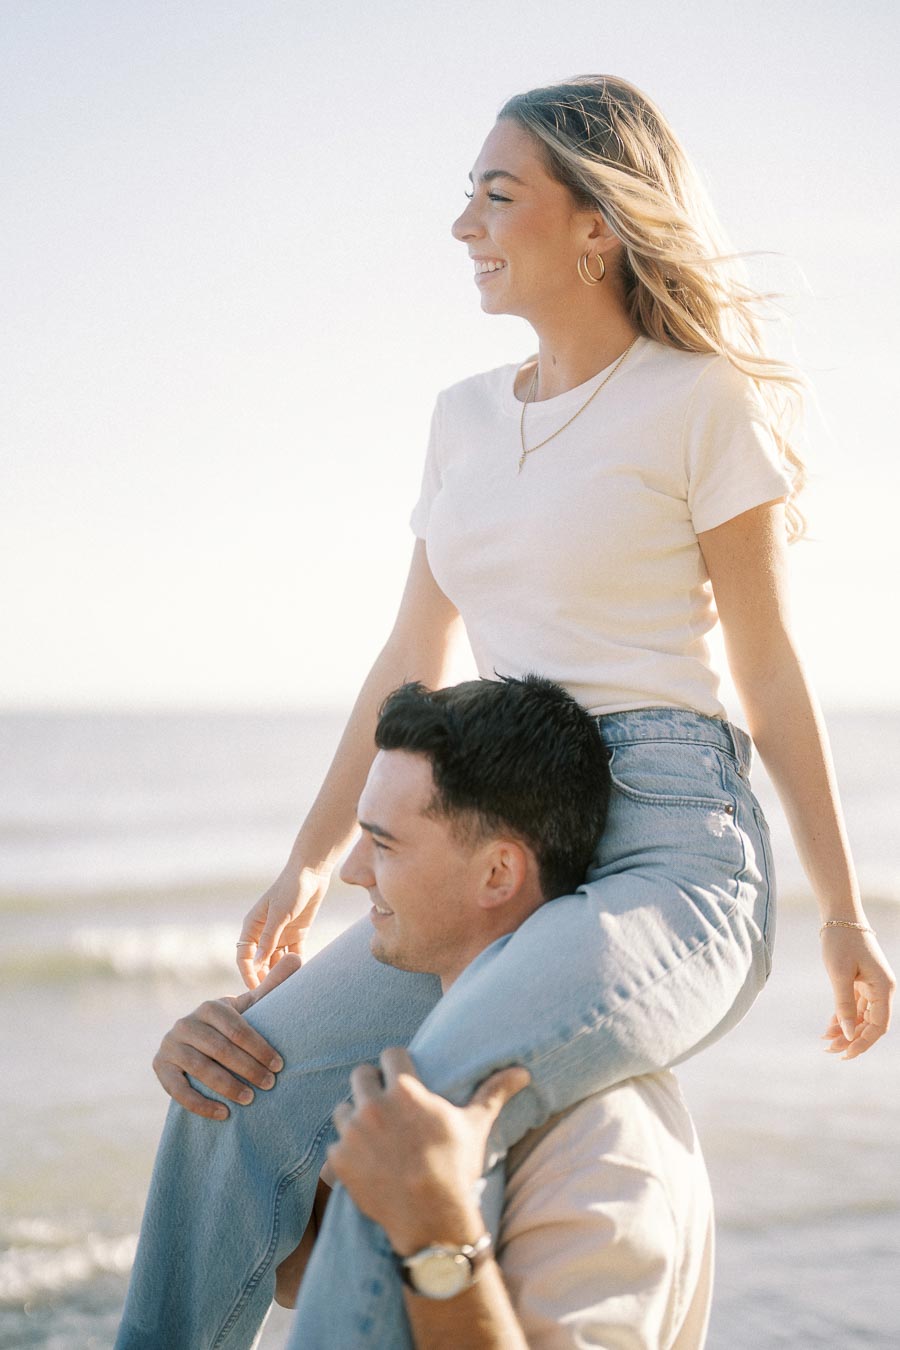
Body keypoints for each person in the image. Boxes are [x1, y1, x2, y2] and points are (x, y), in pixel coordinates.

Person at [117, 75, 894, 1349]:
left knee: (418, 1118)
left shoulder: (700, 400)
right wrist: (312, 863)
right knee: (231, 1088)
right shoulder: (460, 420)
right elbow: (406, 663)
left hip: (668, 836)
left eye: (496, 193)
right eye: (463, 194)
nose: (464, 223)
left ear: (597, 224)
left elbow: (768, 669)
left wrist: (846, 914)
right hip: (496, 825)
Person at [273, 676, 713, 1348]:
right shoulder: (432, 1061)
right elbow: (305, 1276)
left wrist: (438, 1231)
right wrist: (242, 1084)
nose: (353, 871)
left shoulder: (604, 1136)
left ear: (497, 876)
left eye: (383, 843)